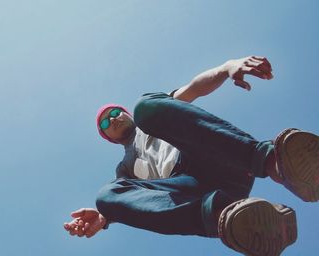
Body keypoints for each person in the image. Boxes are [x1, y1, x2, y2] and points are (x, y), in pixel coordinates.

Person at [63, 56, 319, 256]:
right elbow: (131, 199)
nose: (114, 118)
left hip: (218, 160)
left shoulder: (147, 118)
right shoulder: (125, 169)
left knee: (147, 106)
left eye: (116, 112)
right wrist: (105, 216)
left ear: (125, 114)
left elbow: (195, 88)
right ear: (108, 137)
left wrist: (227, 66)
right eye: (106, 122)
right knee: (106, 196)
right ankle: (232, 220)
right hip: (195, 191)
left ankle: (276, 164)